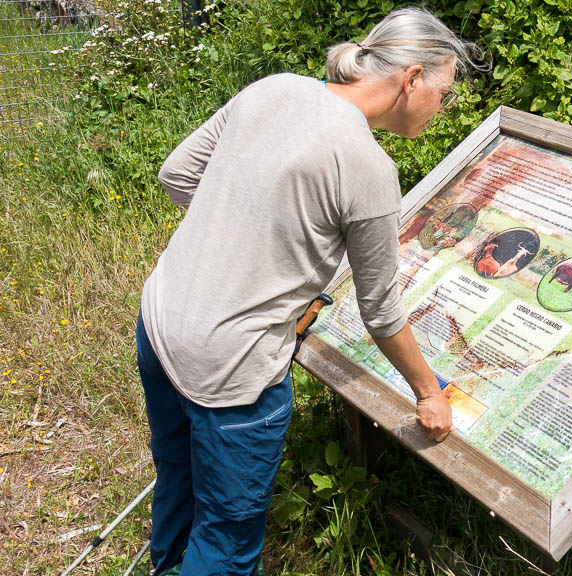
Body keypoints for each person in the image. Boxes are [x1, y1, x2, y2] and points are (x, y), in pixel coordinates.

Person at [135, 8, 481, 575]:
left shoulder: (275, 89)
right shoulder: (366, 165)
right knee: (226, 537)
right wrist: (428, 393)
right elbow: (381, 310)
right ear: (411, 78)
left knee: (179, 477)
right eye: (441, 91)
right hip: (233, 369)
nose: (440, 108)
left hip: (162, 321)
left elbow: (177, 175)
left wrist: (244, 237)